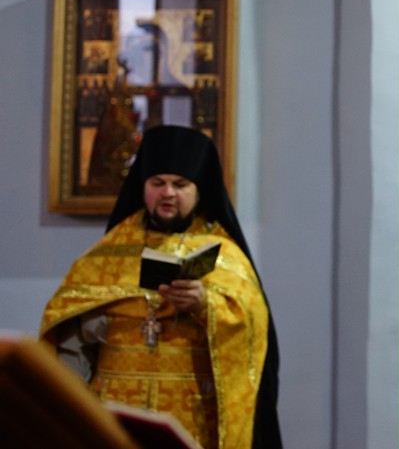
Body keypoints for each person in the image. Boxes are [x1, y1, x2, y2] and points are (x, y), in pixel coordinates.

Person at [40, 125, 282, 449]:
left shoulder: (225, 255)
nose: (168, 193)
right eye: (158, 183)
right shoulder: (107, 253)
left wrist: (206, 306)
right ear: (143, 186)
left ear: (199, 190)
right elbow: (71, 343)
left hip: (192, 422)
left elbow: (253, 335)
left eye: (180, 185)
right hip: (115, 417)